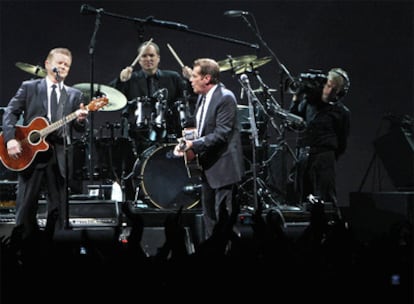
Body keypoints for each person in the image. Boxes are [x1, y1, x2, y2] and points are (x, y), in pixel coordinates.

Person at [2, 47, 89, 252]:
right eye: (59, 63)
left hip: (58, 155)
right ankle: (21, 250)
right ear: (48, 64)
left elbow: (78, 129)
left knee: (58, 208)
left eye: (67, 65)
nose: (63, 67)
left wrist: (81, 120)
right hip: (30, 155)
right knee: (26, 206)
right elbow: (10, 113)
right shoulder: (30, 87)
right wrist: (10, 139)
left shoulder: (74, 94)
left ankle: (56, 251)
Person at [173, 58, 245, 240]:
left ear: (206, 78)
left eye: (195, 76)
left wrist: (193, 145)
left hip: (224, 170)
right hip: (209, 169)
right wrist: (184, 144)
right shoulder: (203, 98)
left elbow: (221, 134)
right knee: (210, 221)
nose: (191, 79)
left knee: (225, 222)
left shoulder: (225, 97)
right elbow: (201, 130)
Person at [109, 40, 194, 155]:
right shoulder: (131, 79)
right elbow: (111, 96)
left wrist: (191, 80)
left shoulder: (173, 77)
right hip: (137, 133)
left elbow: (190, 97)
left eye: (151, 55)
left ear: (158, 58)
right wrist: (120, 80)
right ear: (139, 60)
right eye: (144, 56)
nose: (148, 59)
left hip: (168, 130)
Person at [288, 68, 351, 219]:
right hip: (303, 155)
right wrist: (296, 96)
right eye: (328, 86)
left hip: (324, 157)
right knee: (301, 197)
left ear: (340, 92)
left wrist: (328, 156)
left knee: (326, 197)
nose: (329, 91)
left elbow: (342, 142)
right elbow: (292, 122)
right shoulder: (309, 103)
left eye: (334, 89)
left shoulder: (341, 112)